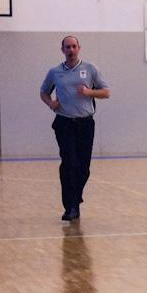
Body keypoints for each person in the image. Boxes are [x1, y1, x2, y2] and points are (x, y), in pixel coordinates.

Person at [40, 36, 110, 221]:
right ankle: (71, 207)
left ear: (79, 48)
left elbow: (106, 92)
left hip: (85, 124)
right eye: (67, 47)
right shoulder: (55, 72)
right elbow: (43, 92)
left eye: (73, 46)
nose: (70, 50)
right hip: (64, 123)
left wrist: (89, 92)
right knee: (69, 163)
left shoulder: (90, 69)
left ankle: (75, 198)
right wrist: (50, 103)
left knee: (83, 167)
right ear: (62, 50)